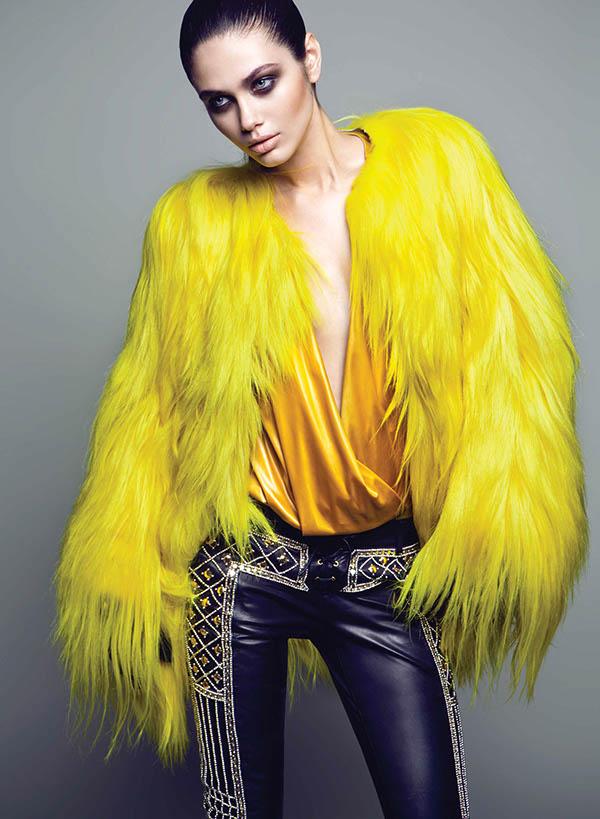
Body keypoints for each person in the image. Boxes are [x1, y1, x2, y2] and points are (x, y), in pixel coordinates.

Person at [51, 2, 589, 818]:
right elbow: (150, 411)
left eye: (263, 82)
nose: (247, 119)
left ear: (310, 57)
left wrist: (489, 530)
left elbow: (515, 357)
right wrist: (128, 573)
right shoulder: (194, 226)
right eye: (219, 101)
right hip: (245, 573)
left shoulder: (440, 174)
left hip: (385, 573)